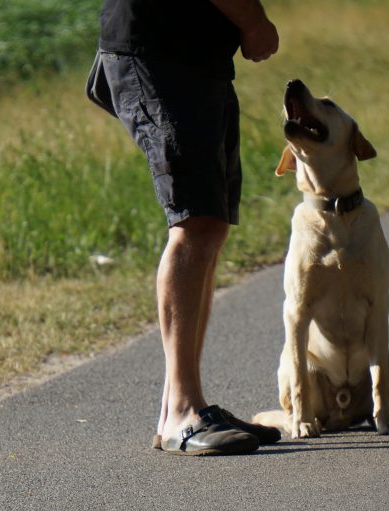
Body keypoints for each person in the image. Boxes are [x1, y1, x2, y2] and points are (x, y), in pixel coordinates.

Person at [94, 0, 281, 455]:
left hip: (195, 59)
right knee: (194, 223)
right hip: (160, 56)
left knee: (210, 226)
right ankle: (182, 410)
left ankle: (183, 406)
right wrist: (253, 21)